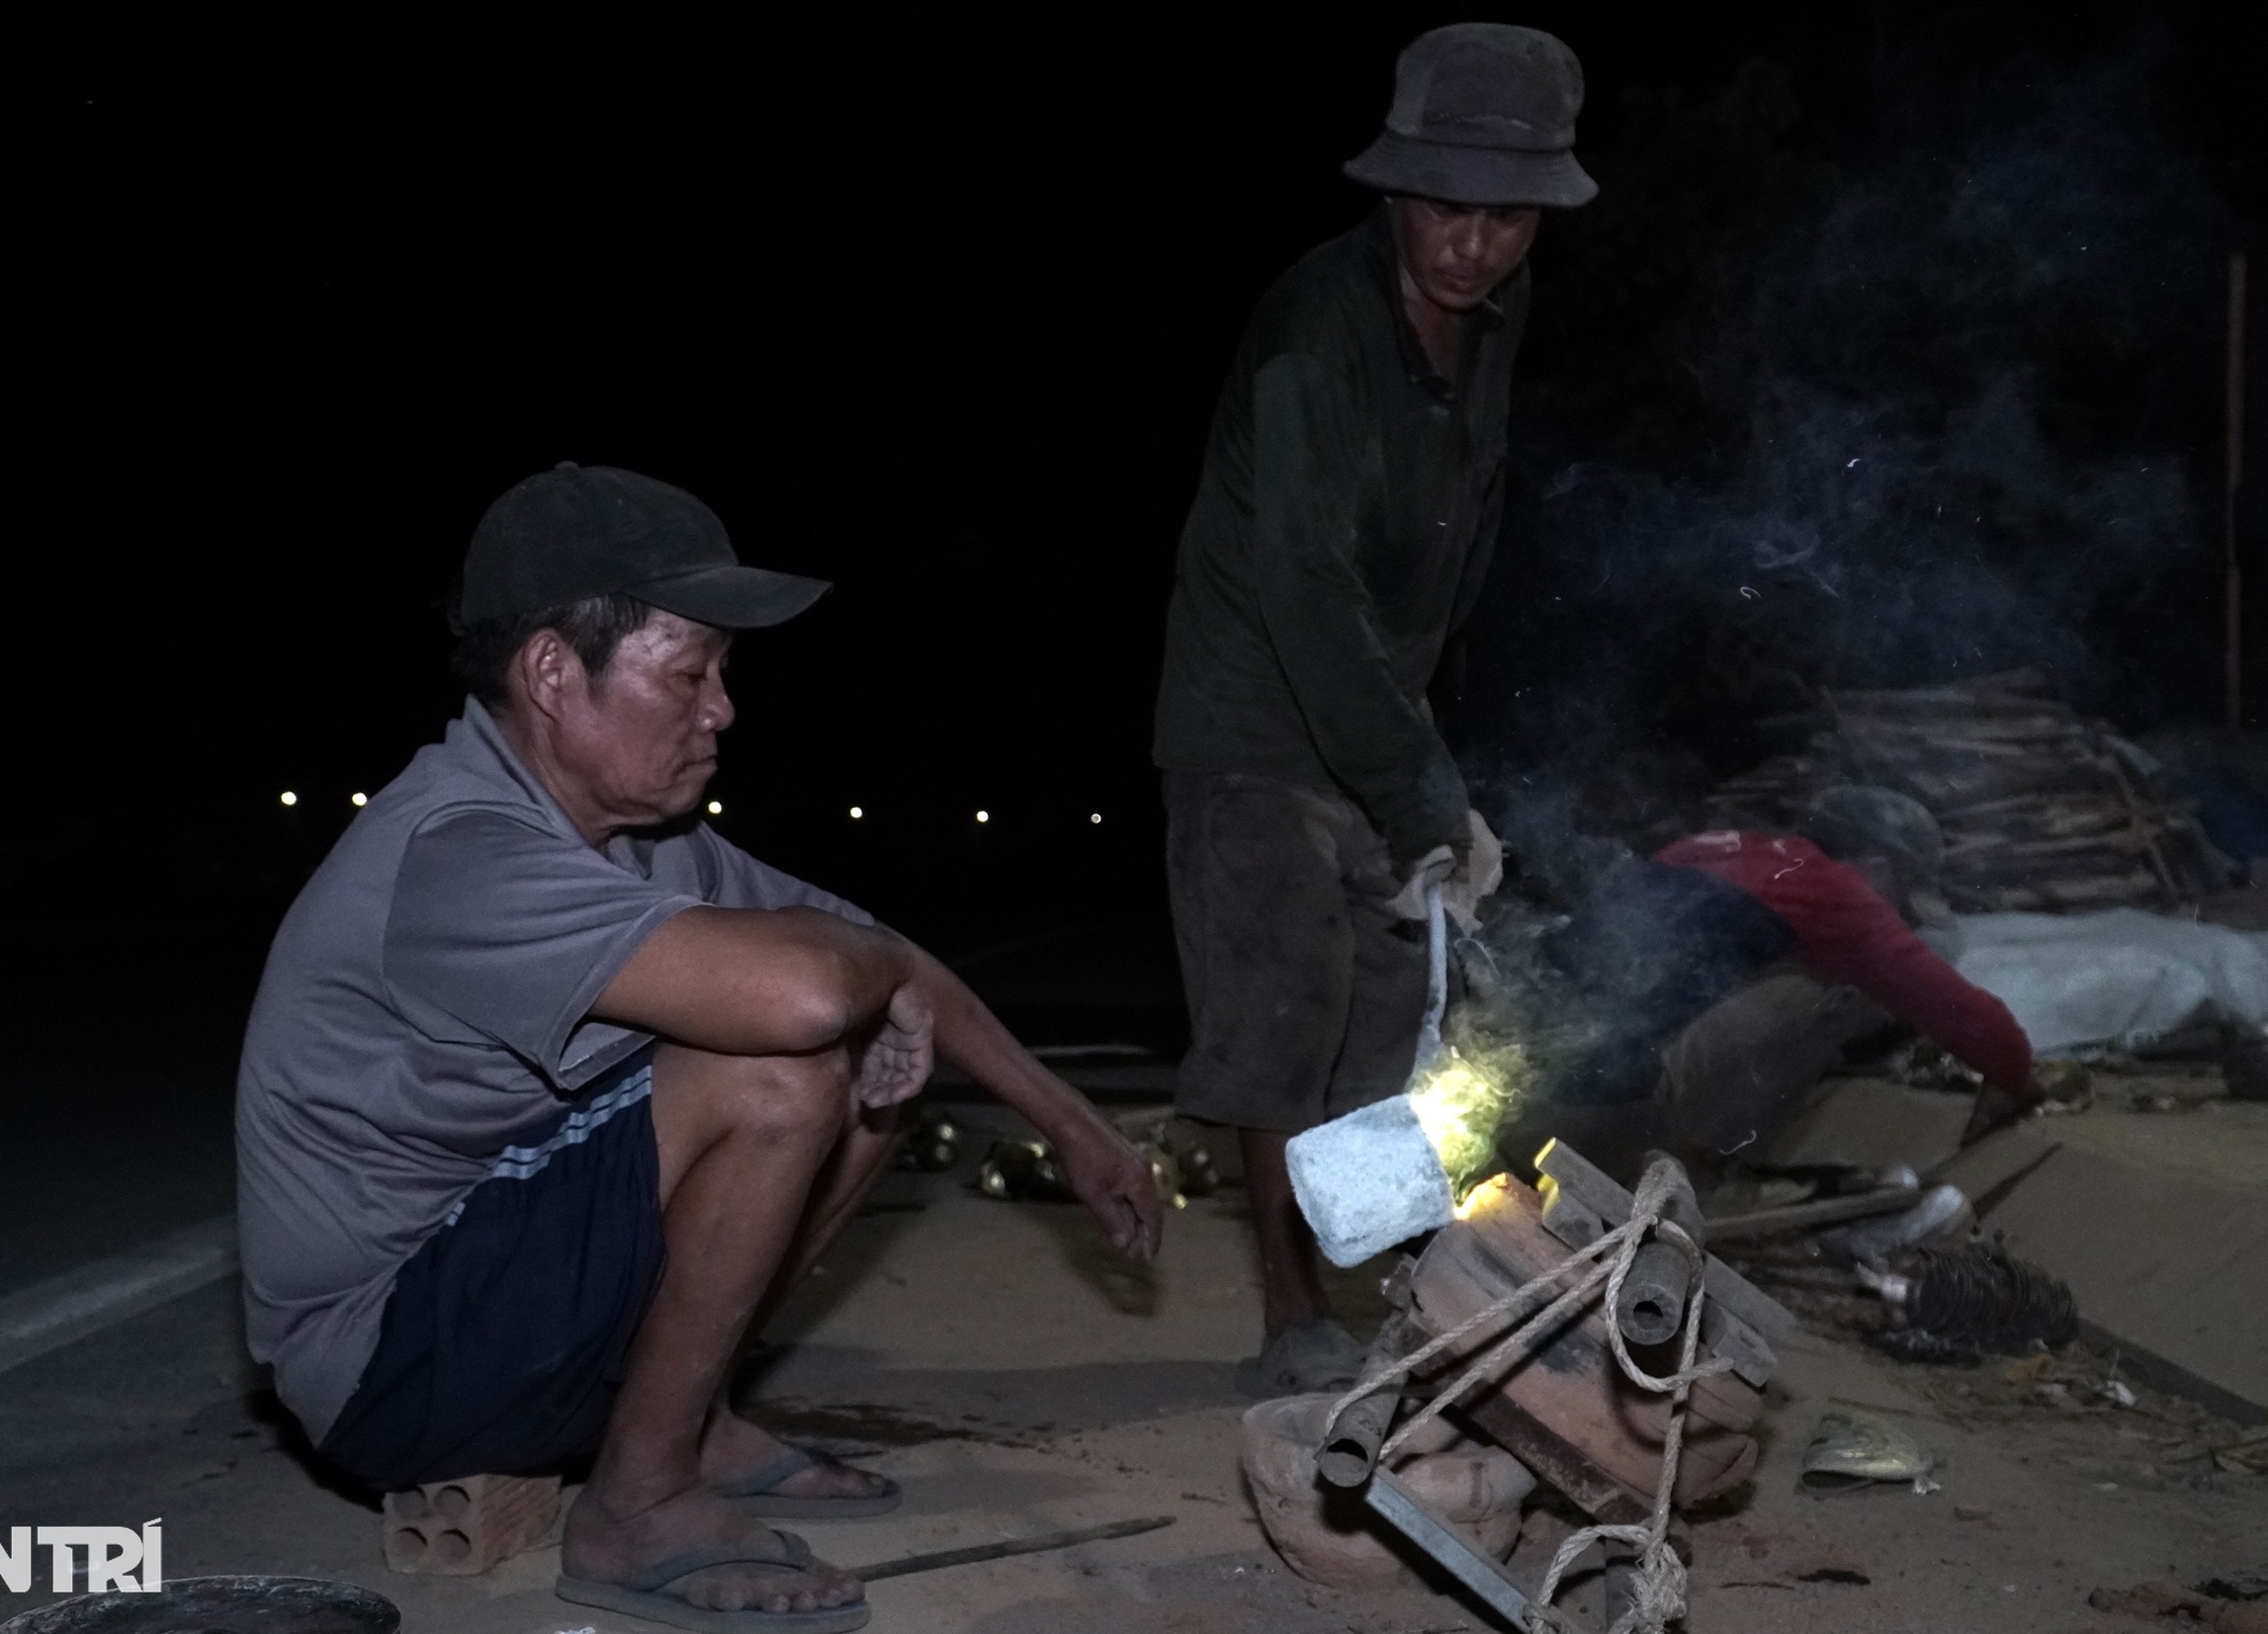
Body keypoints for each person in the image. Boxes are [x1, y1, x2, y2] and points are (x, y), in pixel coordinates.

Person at [235, 464, 1162, 1632]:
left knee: (866, 1062)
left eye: (723, 674)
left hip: (513, 1304)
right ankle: (636, 1504)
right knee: (776, 1064)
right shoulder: (462, 853)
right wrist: (866, 975)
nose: (721, 709)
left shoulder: (638, 840)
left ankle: (692, 1425)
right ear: (551, 672)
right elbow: (821, 985)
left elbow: (882, 958)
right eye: (689, 673)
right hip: (392, 1371)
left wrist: (1073, 1125)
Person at [1150, 23, 1597, 1394]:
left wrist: (1422, 758)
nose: (1474, 246)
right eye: (1448, 211)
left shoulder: (1495, 322)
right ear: (1395, 195)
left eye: (1506, 217)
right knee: (1284, 1004)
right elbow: (1303, 584)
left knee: (1399, 1018)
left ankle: (1404, 1284)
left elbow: (1463, 531)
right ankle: (1291, 1312)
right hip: (1255, 718)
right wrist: (1424, 792)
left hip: (1373, 711)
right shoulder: (1313, 338)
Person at [1511, 786, 2036, 1179]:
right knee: (1833, 986)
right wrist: (2012, 1075)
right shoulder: (1842, 896)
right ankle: (1705, 1154)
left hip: (1519, 1070)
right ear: (1876, 867)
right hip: (1593, 1116)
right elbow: (1960, 1009)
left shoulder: (1717, 847)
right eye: (1905, 889)